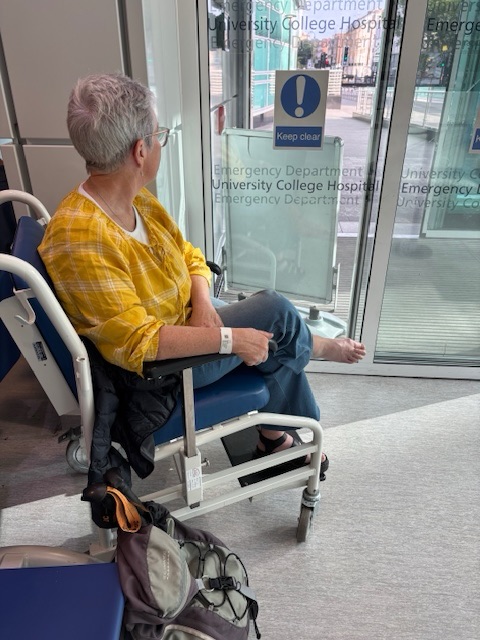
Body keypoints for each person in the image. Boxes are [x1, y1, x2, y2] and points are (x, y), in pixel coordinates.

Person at [39, 73, 365, 478]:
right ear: (140, 150)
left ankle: (275, 438)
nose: (160, 143)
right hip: (161, 373)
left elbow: (189, 255)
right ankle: (313, 361)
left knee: (272, 330)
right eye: (159, 135)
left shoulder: (135, 201)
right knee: (277, 314)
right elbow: (140, 344)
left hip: (187, 324)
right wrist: (229, 339)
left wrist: (203, 303)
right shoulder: (81, 237)